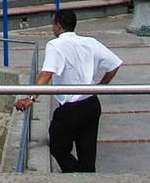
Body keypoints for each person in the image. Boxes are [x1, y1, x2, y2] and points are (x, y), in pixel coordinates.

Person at [14, 10, 123, 172]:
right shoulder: (90, 42)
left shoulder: (55, 45)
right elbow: (115, 64)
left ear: (58, 26)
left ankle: (75, 175)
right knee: (87, 154)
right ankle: (86, 175)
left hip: (71, 108)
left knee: (58, 147)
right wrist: (101, 86)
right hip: (91, 104)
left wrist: (31, 98)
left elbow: (46, 74)